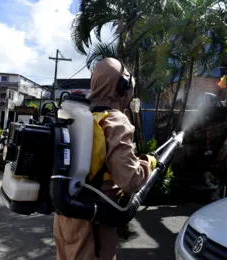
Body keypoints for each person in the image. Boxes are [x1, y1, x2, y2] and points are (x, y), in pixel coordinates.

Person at [53, 57, 157, 260]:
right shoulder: (115, 121)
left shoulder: (78, 115)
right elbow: (130, 179)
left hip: (65, 216)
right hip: (94, 222)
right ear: (122, 87)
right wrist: (148, 163)